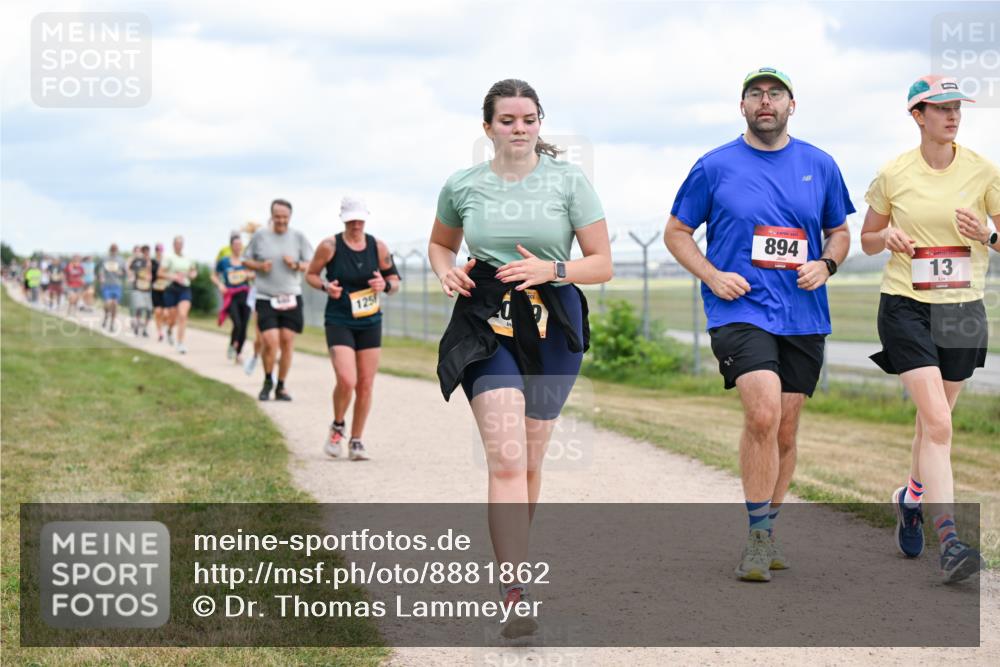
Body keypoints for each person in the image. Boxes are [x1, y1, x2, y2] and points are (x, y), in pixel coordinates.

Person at [430, 79, 612, 638]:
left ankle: (515, 564)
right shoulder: (463, 184)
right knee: (507, 458)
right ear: (487, 127)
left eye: (528, 119)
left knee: (530, 463)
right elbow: (441, 244)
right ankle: (513, 588)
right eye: (506, 119)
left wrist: (551, 270)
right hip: (486, 320)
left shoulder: (568, 180)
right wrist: (445, 269)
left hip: (552, 321)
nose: (518, 128)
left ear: (540, 123)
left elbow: (601, 263)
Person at [664, 67, 853, 582]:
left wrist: (827, 264)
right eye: (755, 94)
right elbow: (677, 232)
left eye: (774, 94)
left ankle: (768, 529)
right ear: (742, 106)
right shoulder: (714, 166)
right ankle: (755, 536)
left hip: (802, 313)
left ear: (792, 104)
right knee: (763, 412)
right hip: (739, 308)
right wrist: (712, 274)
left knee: (786, 430)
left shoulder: (821, 164)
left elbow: (839, 231)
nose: (764, 101)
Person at [860, 75, 997, 584]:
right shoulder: (895, 173)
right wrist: (886, 236)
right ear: (917, 116)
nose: (952, 116)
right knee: (938, 424)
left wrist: (988, 233)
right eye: (940, 108)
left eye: (957, 107)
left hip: (963, 310)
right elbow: (867, 237)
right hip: (906, 307)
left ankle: (909, 499)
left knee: (930, 427)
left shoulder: (983, 170)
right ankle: (952, 541)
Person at [306, 196, 400, 461]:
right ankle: (337, 426)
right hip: (339, 320)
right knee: (347, 380)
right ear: (343, 219)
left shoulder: (378, 246)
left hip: (370, 320)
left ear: (366, 218)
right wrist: (326, 287)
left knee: (366, 383)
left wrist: (386, 286)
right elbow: (311, 275)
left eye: (360, 219)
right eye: (351, 220)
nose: (356, 224)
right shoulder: (329, 246)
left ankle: (357, 440)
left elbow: (394, 281)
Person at [243, 200, 314, 401]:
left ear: (290, 217)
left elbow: (311, 263)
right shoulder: (260, 236)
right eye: (278, 216)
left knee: (287, 341)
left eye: (285, 217)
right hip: (266, 297)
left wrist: (296, 264)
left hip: (291, 296)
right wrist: (259, 266)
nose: (281, 220)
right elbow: (245, 260)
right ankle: (267, 380)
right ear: (272, 216)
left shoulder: (298, 237)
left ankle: (281, 386)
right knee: (270, 341)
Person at [212, 232, 254, 362]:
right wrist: (220, 285)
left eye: (240, 245)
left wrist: (249, 275)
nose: (238, 247)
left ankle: (239, 352)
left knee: (245, 326)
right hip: (231, 296)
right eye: (236, 245)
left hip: (245, 295)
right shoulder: (224, 262)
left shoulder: (246, 261)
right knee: (237, 323)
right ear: (231, 246)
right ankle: (232, 345)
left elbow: (255, 273)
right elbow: (213, 275)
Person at [158, 235, 198, 354]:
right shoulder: (168, 257)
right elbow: (160, 273)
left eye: (181, 243)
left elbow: (193, 270)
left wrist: (193, 275)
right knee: (172, 317)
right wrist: (173, 276)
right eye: (177, 243)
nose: (179, 246)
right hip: (171, 288)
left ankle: (180, 343)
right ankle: (170, 329)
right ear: (174, 245)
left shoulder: (188, 258)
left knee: (183, 314)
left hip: (184, 288)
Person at [98, 244, 128, 331]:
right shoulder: (105, 259)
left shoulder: (121, 260)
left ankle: (112, 324)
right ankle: (106, 316)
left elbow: (125, 272)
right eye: (112, 250)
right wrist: (101, 277)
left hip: (117, 285)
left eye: (115, 250)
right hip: (107, 285)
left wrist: (122, 273)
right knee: (108, 303)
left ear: (117, 250)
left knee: (115, 304)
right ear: (110, 250)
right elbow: (101, 271)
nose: (114, 251)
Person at [128, 245, 154, 337]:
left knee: (149, 310)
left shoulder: (151, 262)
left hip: (147, 289)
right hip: (138, 288)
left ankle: (145, 329)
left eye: (148, 251)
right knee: (139, 307)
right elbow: (130, 269)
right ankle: (137, 326)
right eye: (145, 251)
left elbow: (153, 275)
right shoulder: (137, 261)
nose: (147, 253)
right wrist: (132, 276)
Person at [150, 243, 170, 342]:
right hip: (155, 289)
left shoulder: (166, 262)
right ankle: (160, 332)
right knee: (158, 312)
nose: (159, 252)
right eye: (157, 250)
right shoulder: (152, 262)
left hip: (165, 289)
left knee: (166, 313)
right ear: (155, 251)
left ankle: (165, 327)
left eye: (160, 250)